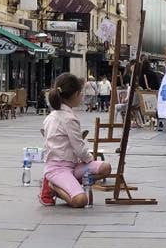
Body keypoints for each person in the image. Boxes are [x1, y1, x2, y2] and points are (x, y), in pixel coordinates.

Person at [39, 73, 113, 207]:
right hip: (58, 168)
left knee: (105, 167)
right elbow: (79, 148)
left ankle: (69, 183)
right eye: (81, 93)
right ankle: (53, 186)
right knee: (80, 200)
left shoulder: (51, 116)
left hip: (73, 165)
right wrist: (89, 159)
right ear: (75, 95)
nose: (82, 96)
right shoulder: (69, 119)